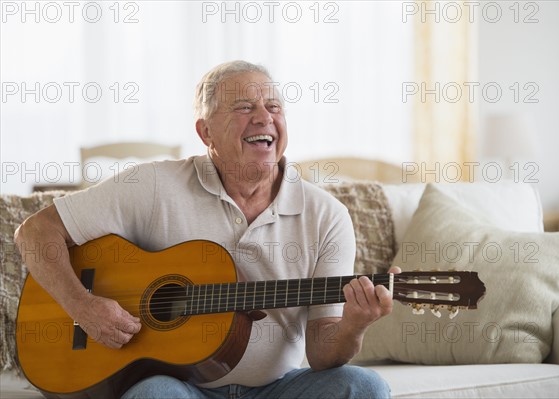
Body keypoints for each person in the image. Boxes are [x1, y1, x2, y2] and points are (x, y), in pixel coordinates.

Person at [15, 60, 398, 399]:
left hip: (278, 388)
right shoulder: (153, 185)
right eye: (244, 107)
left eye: (274, 107)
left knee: (366, 387)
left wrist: (354, 325)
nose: (264, 118)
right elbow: (34, 233)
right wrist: (82, 306)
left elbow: (321, 352)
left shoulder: (327, 215)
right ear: (205, 132)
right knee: (154, 395)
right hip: (179, 386)